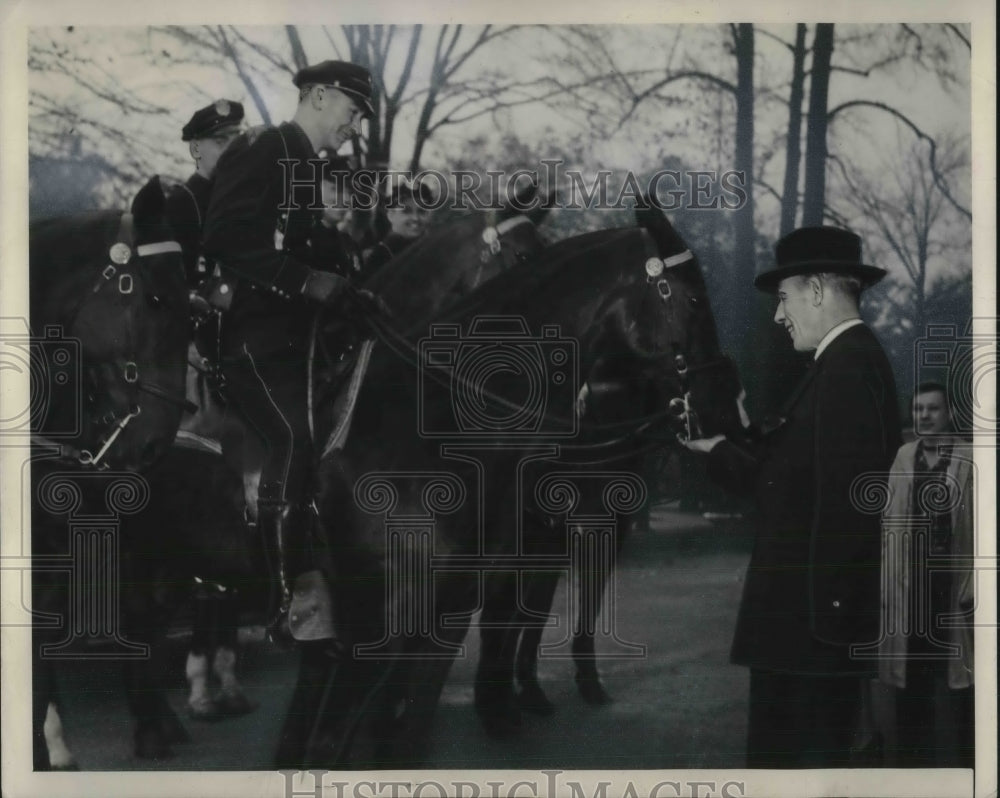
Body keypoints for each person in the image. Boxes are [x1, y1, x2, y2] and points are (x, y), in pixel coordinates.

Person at [682, 226, 902, 767]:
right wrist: (716, 450)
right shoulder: (841, 364)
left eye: (784, 298)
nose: (779, 316)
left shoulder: (847, 368)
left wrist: (832, 628)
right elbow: (791, 481)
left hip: (809, 641)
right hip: (805, 635)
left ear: (819, 290)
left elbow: (851, 509)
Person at [201, 60, 379, 642]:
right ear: (320, 97)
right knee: (295, 439)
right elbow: (224, 239)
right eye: (352, 114)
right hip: (252, 341)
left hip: (297, 340)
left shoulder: (304, 163)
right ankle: (285, 599)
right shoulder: (264, 149)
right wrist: (307, 282)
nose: (353, 127)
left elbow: (305, 243)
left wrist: (351, 281)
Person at [879, 382, 974, 767]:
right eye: (918, 410)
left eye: (933, 409)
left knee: (964, 687)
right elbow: (889, 521)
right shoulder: (904, 457)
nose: (925, 417)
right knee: (912, 687)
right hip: (912, 590)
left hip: (954, 589)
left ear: (948, 413)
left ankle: (971, 771)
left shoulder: (970, 458)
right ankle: (913, 772)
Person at [165, 99, 245, 287]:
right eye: (220, 141)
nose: (232, 150)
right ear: (195, 148)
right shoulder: (181, 203)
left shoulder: (245, 199)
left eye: (237, 140)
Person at [364, 179, 435, 274]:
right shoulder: (380, 256)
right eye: (406, 211)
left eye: (421, 211)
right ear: (391, 215)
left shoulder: (432, 253)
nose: (415, 218)